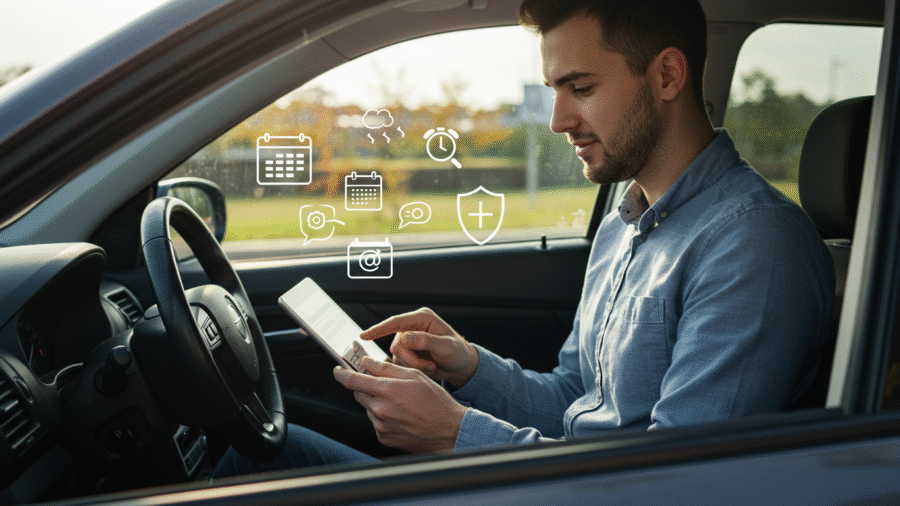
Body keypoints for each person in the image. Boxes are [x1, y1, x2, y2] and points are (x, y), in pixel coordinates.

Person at [214, 0, 834, 476]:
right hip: (555, 481)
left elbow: (675, 482)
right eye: (554, 92)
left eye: (581, 89)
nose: (559, 120)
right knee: (249, 449)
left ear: (668, 74)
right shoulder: (629, 219)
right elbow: (575, 401)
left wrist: (455, 433)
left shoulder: (753, 247)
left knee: (246, 458)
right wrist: (472, 367)